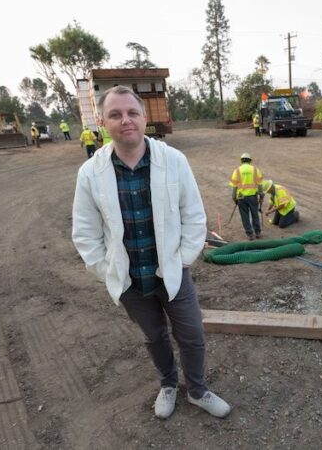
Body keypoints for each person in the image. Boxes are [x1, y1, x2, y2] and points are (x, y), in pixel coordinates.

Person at [72, 85, 230, 420]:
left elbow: (194, 216)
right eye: (115, 114)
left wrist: (183, 260)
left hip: (173, 272)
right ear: (102, 122)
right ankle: (168, 384)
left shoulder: (173, 161)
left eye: (132, 113)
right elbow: (85, 233)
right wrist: (107, 270)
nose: (125, 120)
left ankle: (197, 390)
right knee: (154, 336)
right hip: (130, 281)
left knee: (192, 334)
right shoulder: (90, 173)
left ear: (144, 118)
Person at [229, 152, 264, 240]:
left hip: (241, 198)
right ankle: (258, 232)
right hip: (253, 197)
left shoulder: (237, 171)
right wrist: (261, 195)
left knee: (245, 216)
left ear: (241, 161)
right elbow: (260, 185)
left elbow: (234, 187)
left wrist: (234, 198)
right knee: (255, 214)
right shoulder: (255, 170)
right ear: (250, 161)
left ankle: (250, 234)